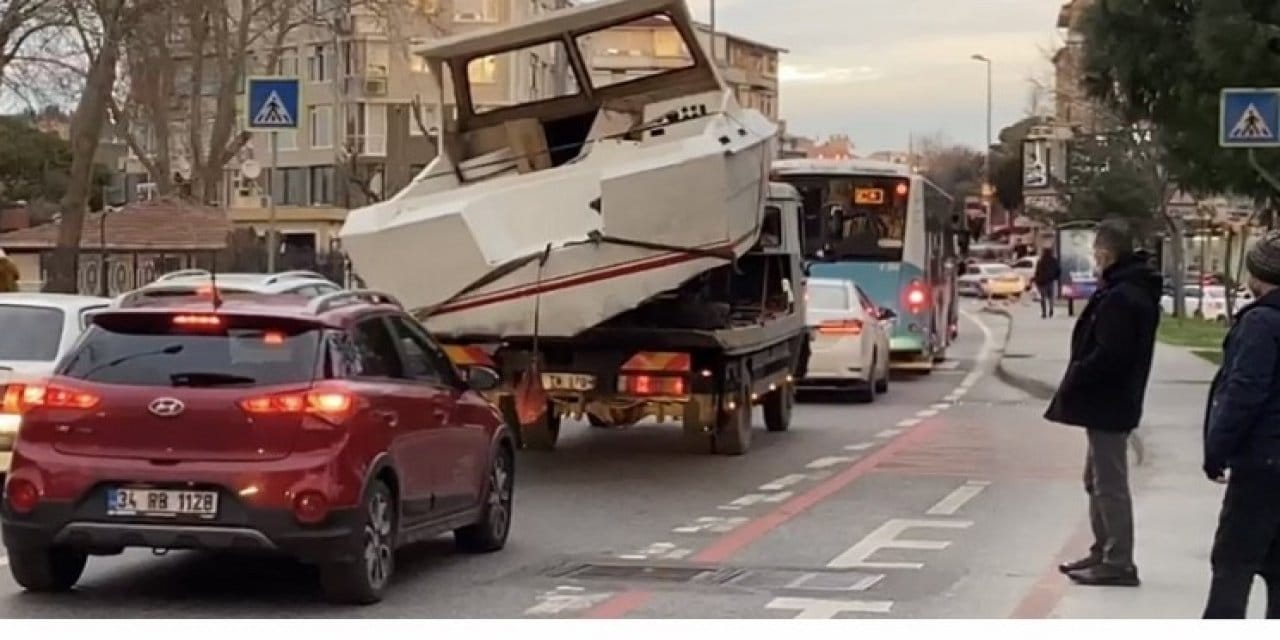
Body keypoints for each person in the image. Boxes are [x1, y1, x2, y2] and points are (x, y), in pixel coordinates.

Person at [1044, 219, 1161, 587]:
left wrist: (1078, 375)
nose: (1094, 259)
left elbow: (1111, 354)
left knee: (1109, 482)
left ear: (1107, 254)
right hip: (1109, 401)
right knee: (1095, 478)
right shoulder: (1123, 290)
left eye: (1096, 252)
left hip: (1110, 402)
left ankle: (1118, 560)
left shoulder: (1123, 297)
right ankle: (1103, 549)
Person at [1201, 231, 1280, 618]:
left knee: (1233, 564)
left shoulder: (1261, 324)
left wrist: (1216, 450)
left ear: (1257, 274)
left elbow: (1244, 394)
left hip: (1262, 463)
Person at [1033, 247, 1062, 318]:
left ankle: (1044, 312)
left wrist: (1036, 280)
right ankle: (1051, 309)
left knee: (1043, 297)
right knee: (1051, 297)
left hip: (1042, 282)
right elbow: (1058, 270)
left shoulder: (1041, 261)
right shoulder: (1054, 260)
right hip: (1050, 281)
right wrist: (1055, 277)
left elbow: (1037, 272)